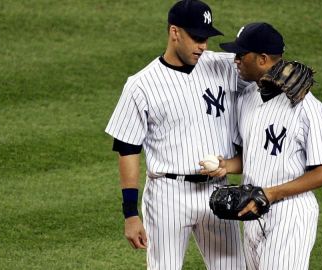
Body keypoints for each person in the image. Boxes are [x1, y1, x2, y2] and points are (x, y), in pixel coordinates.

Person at [105, 1, 247, 269]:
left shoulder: (224, 66)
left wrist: (282, 70)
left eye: (205, 38)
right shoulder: (141, 85)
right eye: (196, 37)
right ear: (174, 32)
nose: (203, 45)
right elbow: (127, 149)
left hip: (217, 190)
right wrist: (130, 214)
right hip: (167, 195)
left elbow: (260, 68)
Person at [206, 22, 322, 269]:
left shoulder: (306, 107)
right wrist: (225, 165)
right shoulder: (247, 99)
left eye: (241, 54)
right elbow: (253, 156)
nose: (234, 59)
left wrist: (270, 194)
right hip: (252, 210)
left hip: (289, 215)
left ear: (262, 59)